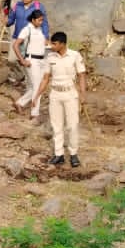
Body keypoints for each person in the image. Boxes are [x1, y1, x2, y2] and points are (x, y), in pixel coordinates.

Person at [36, 31, 88, 168]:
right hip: (55, 95)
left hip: (70, 94)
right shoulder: (50, 57)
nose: (51, 45)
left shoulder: (74, 56)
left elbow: (81, 75)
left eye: (54, 43)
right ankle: (58, 154)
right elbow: (46, 78)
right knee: (56, 125)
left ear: (63, 44)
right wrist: (37, 95)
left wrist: (83, 94)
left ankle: (73, 154)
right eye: (51, 43)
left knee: (72, 126)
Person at [5, 0, 48, 83]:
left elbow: (44, 23)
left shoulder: (38, 7)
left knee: (27, 60)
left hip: (30, 39)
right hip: (17, 36)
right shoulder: (17, 5)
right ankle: (21, 75)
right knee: (11, 60)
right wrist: (6, 22)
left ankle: (29, 81)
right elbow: (11, 19)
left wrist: (45, 36)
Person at [12, 10, 49, 119]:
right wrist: (22, 60)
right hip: (32, 61)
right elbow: (15, 45)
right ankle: (34, 113)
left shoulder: (39, 29)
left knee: (36, 87)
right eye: (39, 20)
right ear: (33, 20)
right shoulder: (27, 29)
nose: (41, 22)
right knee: (37, 87)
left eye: (42, 20)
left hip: (41, 60)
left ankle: (20, 103)